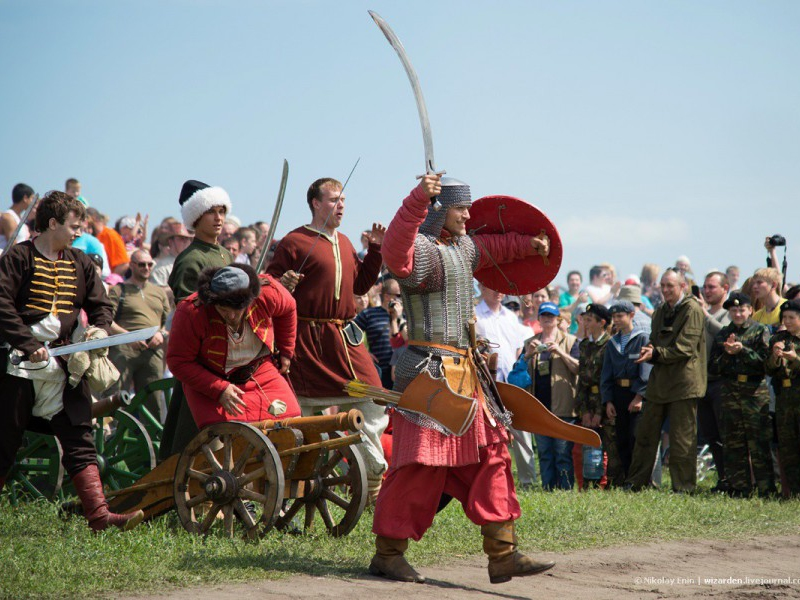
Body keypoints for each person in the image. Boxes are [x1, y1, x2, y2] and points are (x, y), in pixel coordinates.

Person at [371, 174, 554, 584]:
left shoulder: (463, 247)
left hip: (466, 373)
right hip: (425, 374)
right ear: (439, 210)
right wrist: (418, 199)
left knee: (492, 458)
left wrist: (530, 245)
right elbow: (395, 247)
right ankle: (388, 553)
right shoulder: (420, 250)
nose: (468, 216)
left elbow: (494, 248)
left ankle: (503, 554)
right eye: (460, 209)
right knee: (420, 467)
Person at [0, 191, 143, 531]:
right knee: (4, 441)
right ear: (52, 223)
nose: (79, 232)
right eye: (74, 226)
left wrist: (98, 330)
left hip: (64, 364)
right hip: (18, 363)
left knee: (80, 439)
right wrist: (28, 342)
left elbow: (101, 305)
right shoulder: (18, 258)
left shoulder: (80, 261)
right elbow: (2, 304)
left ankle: (100, 517)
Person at [267, 177, 389, 502]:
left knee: (373, 401)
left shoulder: (346, 242)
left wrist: (375, 249)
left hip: (343, 341)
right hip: (305, 340)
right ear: (316, 203)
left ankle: (371, 478)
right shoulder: (294, 242)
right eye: (334, 200)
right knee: (303, 414)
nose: (341, 206)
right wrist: (284, 283)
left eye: (344, 200)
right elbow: (269, 285)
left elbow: (361, 286)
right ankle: (292, 487)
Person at [166, 264, 301, 428]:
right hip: (211, 378)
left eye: (237, 310)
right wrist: (218, 389)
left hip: (260, 371)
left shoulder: (268, 292)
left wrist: (286, 351)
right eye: (223, 309)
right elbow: (178, 361)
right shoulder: (191, 311)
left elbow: (289, 307)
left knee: (292, 422)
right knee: (221, 436)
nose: (231, 316)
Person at [160, 180, 233, 458]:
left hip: (226, 350)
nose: (218, 218)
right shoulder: (191, 260)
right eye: (210, 212)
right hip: (202, 353)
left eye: (221, 211)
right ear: (195, 217)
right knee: (192, 431)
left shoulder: (224, 253)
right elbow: (188, 312)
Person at [626, 269, 707, 493]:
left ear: (683, 286)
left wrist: (655, 354)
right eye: (662, 285)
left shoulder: (692, 309)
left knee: (681, 440)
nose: (665, 290)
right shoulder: (661, 310)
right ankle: (636, 482)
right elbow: (654, 340)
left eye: (670, 286)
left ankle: (684, 487)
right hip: (659, 382)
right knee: (645, 434)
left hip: (684, 384)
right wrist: (649, 349)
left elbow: (685, 348)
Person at [709, 292, 773, 497]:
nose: (737, 313)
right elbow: (713, 366)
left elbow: (765, 363)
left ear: (750, 310)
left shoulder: (759, 330)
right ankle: (739, 487)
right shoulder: (723, 333)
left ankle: (766, 489)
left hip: (754, 392)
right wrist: (727, 354)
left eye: (741, 309)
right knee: (733, 443)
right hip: (729, 391)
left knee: (759, 443)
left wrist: (742, 350)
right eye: (734, 310)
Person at [475, 284, 537, 489]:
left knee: (521, 431)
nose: (498, 290)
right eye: (492, 286)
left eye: (499, 287)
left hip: (511, 383)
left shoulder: (511, 317)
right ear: (481, 288)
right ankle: (490, 482)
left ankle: (528, 481)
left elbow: (519, 349)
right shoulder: (475, 315)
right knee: (489, 435)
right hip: (485, 385)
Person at [107, 249, 170, 422]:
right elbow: (107, 321)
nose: (147, 268)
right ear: (132, 265)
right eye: (142, 264)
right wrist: (128, 337)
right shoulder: (118, 290)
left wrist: (161, 334)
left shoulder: (159, 292)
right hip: (125, 348)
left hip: (153, 349)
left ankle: (153, 443)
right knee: (117, 397)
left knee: (154, 399)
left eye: (150, 264)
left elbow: (165, 323)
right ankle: (112, 439)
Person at [526, 301, 580, 490]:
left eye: (551, 316)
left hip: (563, 406)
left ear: (558, 319)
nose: (547, 319)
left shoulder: (570, 341)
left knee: (562, 452)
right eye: (544, 315)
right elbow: (518, 373)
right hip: (539, 408)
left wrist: (560, 352)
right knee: (545, 452)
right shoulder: (530, 342)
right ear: (539, 319)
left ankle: (565, 489)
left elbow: (578, 368)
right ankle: (548, 488)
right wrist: (528, 354)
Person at [601, 301, 652, 485]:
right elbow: (606, 374)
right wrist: (608, 401)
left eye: (620, 316)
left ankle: (639, 480)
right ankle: (627, 478)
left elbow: (646, 370)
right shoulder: (612, 342)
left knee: (636, 437)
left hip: (635, 394)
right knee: (621, 438)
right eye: (614, 317)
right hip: (618, 394)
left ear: (631, 315)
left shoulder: (642, 339)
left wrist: (639, 396)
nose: (617, 320)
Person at [699, 271, 731, 491]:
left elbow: (725, 335)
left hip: (722, 381)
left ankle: (733, 478)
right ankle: (722, 478)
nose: (707, 291)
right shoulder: (704, 313)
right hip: (703, 381)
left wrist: (705, 315)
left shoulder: (729, 313)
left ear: (725, 288)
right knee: (711, 434)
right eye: (706, 287)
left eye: (712, 287)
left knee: (725, 433)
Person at [765, 299, 800, 497]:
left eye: (792, 318)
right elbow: (769, 370)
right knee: (787, 447)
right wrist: (775, 356)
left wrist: (795, 359)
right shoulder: (778, 338)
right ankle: (793, 492)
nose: (787, 321)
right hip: (784, 398)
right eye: (784, 317)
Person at [574, 303, 611, 489]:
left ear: (602, 322)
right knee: (587, 447)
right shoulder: (585, 345)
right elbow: (582, 380)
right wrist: (584, 410)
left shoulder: (609, 344)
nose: (585, 323)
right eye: (584, 319)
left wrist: (599, 411)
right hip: (587, 402)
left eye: (589, 320)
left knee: (605, 447)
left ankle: (604, 484)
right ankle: (587, 484)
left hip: (603, 403)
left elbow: (606, 381)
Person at [355, 276, 404, 390]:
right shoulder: (369, 314)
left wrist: (399, 317)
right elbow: (350, 334)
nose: (401, 299)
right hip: (380, 370)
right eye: (398, 295)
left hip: (399, 370)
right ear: (387, 296)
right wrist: (364, 353)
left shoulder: (405, 315)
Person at [87, 207, 129, 276]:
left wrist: (110, 283)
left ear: (94, 218)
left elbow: (123, 264)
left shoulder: (110, 235)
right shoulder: (91, 237)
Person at [0, 183, 35, 251]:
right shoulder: (8, 217)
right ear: (25, 198)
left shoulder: (19, 219)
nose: (33, 202)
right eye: (32, 198)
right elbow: (12, 246)